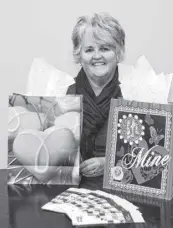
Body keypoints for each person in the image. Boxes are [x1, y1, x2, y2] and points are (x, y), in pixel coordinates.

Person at [67, 13, 125, 178]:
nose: (97, 56)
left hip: (121, 189)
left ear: (118, 53)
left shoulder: (134, 97)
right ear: (79, 55)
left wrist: (109, 163)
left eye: (105, 48)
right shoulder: (63, 96)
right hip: (71, 190)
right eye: (89, 49)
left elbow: (150, 156)